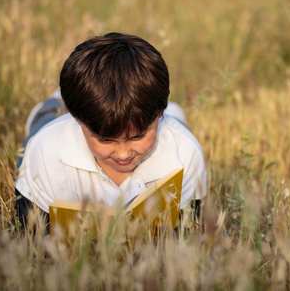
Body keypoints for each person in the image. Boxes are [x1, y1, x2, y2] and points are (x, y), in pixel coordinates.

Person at [15, 32, 207, 233]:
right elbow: (28, 233)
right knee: (36, 135)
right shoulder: (45, 149)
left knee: (173, 130)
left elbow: (191, 231)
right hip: (52, 131)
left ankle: (173, 115)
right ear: (77, 119)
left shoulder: (186, 152)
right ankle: (51, 106)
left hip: (165, 126)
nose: (123, 154)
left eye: (138, 136)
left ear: (160, 113)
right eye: (105, 140)